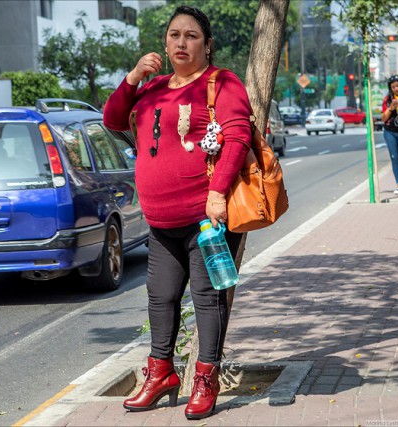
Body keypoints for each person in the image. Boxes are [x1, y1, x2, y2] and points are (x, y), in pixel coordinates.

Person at [102, 5, 251, 420]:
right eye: (173, 35)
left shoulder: (222, 83)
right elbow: (113, 119)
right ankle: (162, 372)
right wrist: (133, 78)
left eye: (190, 36)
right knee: (161, 297)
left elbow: (237, 139)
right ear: (165, 43)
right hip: (160, 221)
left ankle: (206, 378)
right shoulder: (153, 87)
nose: (180, 43)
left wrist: (218, 192)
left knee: (207, 298)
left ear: (207, 45)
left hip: (206, 219)